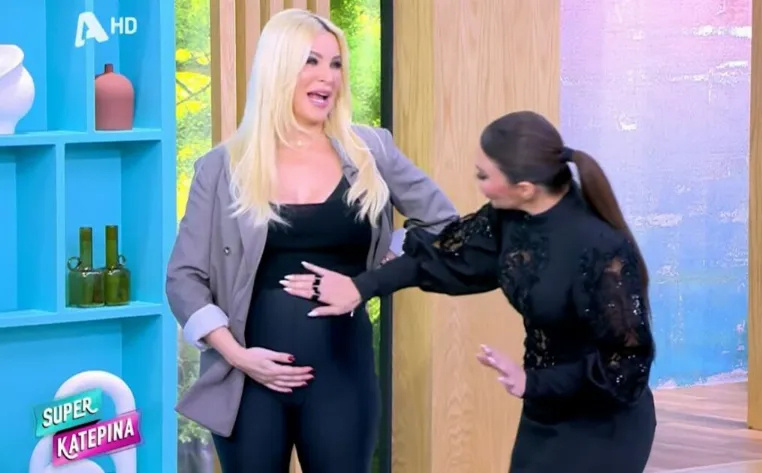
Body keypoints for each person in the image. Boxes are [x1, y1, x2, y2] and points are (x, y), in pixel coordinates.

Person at [165, 9, 459, 473]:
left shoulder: (371, 150)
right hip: (249, 383)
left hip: (343, 379)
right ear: (279, 68)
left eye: (336, 64)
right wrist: (237, 355)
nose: (328, 77)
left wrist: (376, 272)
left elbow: (445, 222)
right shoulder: (222, 166)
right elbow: (184, 277)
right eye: (312, 61)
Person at [282, 110, 658, 472]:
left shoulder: (601, 248)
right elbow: (442, 258)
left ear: (524, 188)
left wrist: (534, 381)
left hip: (605, 423)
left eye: (483, 175)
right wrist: (361, 287)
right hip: (544, 411)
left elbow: (627, 366)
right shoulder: (509, 219)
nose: (478, 184)